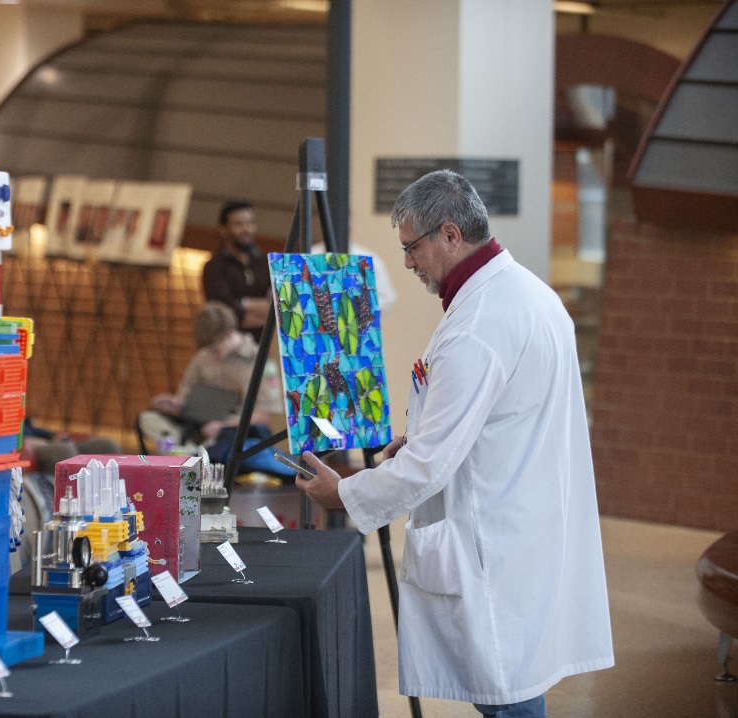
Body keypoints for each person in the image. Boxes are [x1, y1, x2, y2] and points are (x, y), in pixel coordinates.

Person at [296, 170, 613, 717]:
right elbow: (489, 422)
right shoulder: (527, 292)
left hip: (494, 535)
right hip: (523, 521)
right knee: (513, 684)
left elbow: (429, 466)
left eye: (412, 248)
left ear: (449, 234)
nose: (408, 263)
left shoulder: (478, 325)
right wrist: (417, 438)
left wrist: (345, 495)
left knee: (507, 695)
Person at [139, 301, 290, 477]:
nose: (211, 355)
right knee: (147, 418)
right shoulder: (203, 356)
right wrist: (174, 402)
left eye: (215, 349)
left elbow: (262, 417)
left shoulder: (259, 362)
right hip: (196, 426)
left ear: (230, 334)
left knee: (230, 442)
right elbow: (185, 397)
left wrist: (222, 425)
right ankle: (193, 453)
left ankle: (193, 455)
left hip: (232, 430)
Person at [202, 201, 272, 343]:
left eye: (250, 223)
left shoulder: (265, 263)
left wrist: (242, 303)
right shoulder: (214, 267)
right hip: (230, 351)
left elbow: (280, 309)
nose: (247, 229)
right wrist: (266, 312)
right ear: (223, 229)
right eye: (239, 224)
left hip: (267, 347)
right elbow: (227, 316)